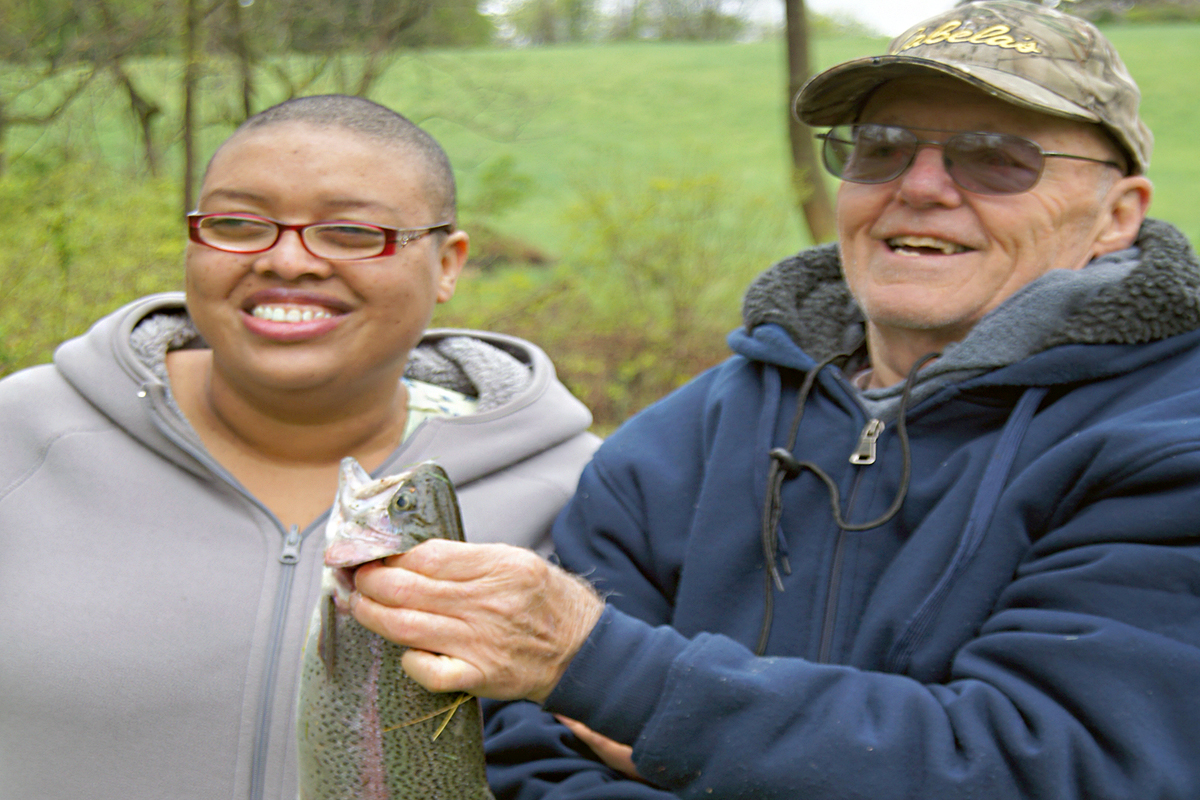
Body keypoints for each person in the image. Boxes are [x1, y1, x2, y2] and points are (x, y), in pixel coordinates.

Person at [345, 2, 1200, 798]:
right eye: (881, 146)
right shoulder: (683, 439)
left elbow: (1058, 762)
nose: (923, 185)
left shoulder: (1168, 441)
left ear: (1118, 214)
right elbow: (528, 749)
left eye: (996, 157)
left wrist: (607, 670)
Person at [0, 94, 599, 799]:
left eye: (350, 230)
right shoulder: (19, 436)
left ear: (448, 263)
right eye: (238, 223)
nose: (287, 261)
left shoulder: (589, 490)